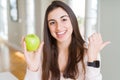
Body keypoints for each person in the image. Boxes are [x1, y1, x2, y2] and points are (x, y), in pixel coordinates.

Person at [22, 1, 110, 80]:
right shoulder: (41, 54)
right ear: (48, 28)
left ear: (72, 21)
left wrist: (92, 59)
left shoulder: (89, 52)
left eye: (64, 19)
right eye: (52, 22)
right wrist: (32, 69)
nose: (59, 27)